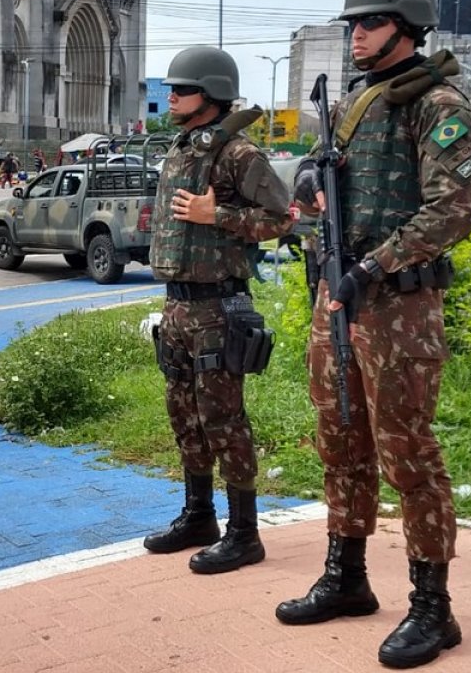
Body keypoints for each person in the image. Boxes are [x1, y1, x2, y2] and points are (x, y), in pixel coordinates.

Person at [277, 0, 471, 670]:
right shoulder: (357, 102)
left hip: (396, 305)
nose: (356, 35)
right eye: (351, 25)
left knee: (409, 455)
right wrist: (307, 182)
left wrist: (372, 266)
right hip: (338, 297)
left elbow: (453, 211)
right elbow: (320, 173)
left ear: (406, 25)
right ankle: (347, 577)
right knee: (339, 440)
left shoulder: (438, 103)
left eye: (368, 23)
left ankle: (433, 608)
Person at [144, 45, 294, 576]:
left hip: (218, 307)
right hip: (180, 306)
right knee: (183, 414)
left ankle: (245, 533)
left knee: (223, 419)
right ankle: (199, 515)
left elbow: (282, 218)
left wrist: (220, 215)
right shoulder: (185, 147)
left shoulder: (239, 154)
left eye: (179, 89)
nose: (171, 97)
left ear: (208, 94)